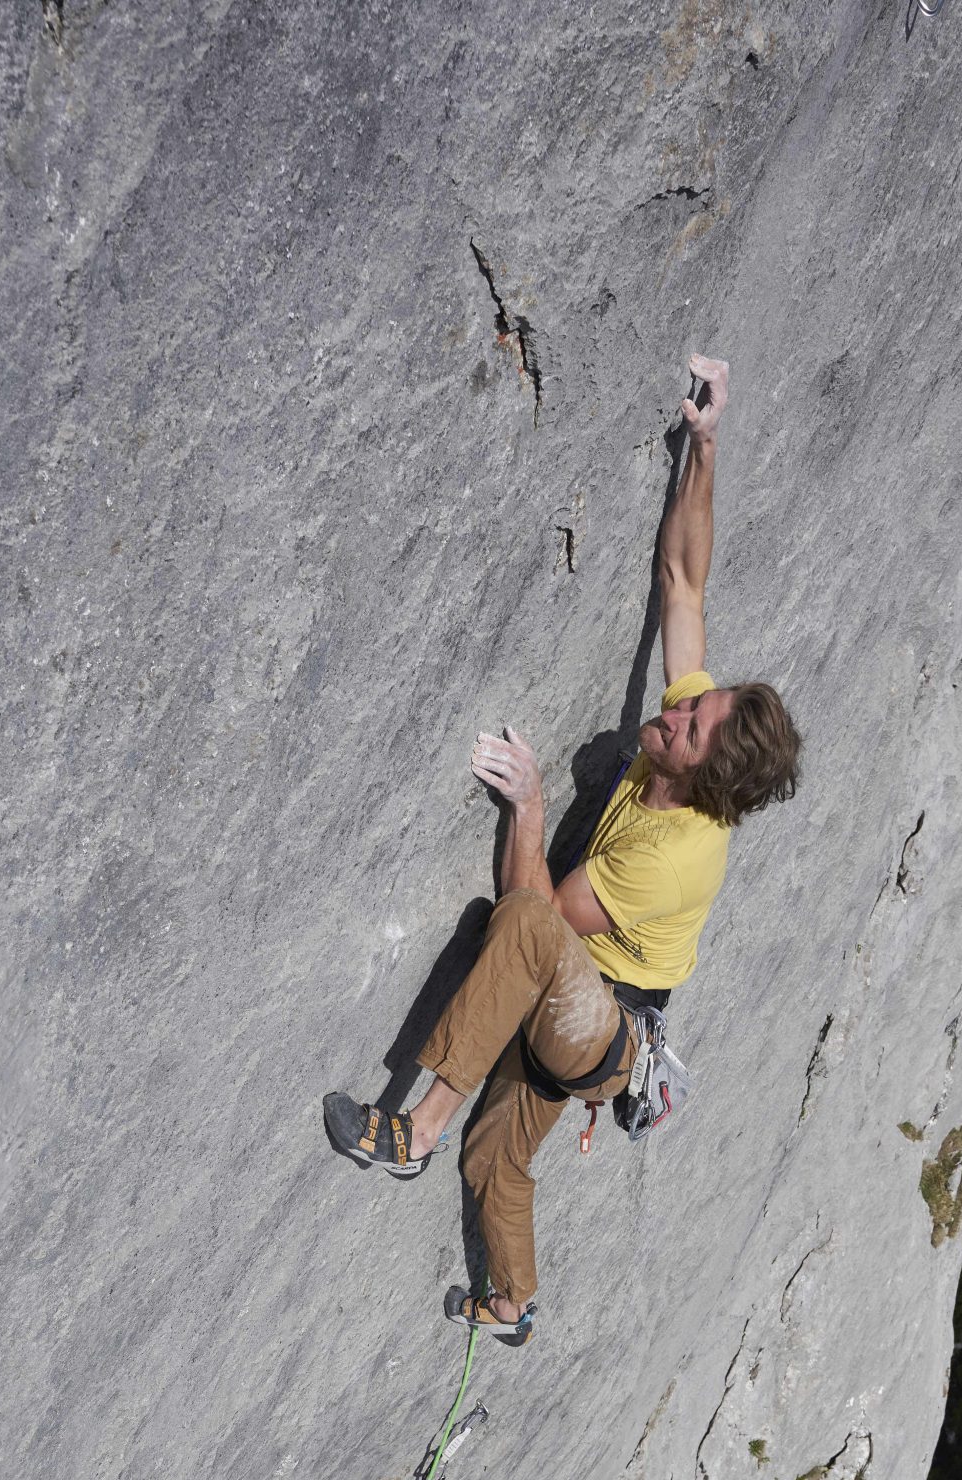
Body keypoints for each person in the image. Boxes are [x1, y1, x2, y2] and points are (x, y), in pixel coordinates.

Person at [323, 354, 802, 1343]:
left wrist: (531, 807)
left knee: (531, 932)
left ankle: (414, 1125)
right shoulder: (686, 741)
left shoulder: (675, 853)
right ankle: (512, 1303)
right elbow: (683, 583)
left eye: (688, 727)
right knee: (495, 1160)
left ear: (703, 778)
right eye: (694, 706)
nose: (671, 716)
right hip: (577, 1018)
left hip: (601, 1028)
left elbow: (530, 914)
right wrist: (705, 446)